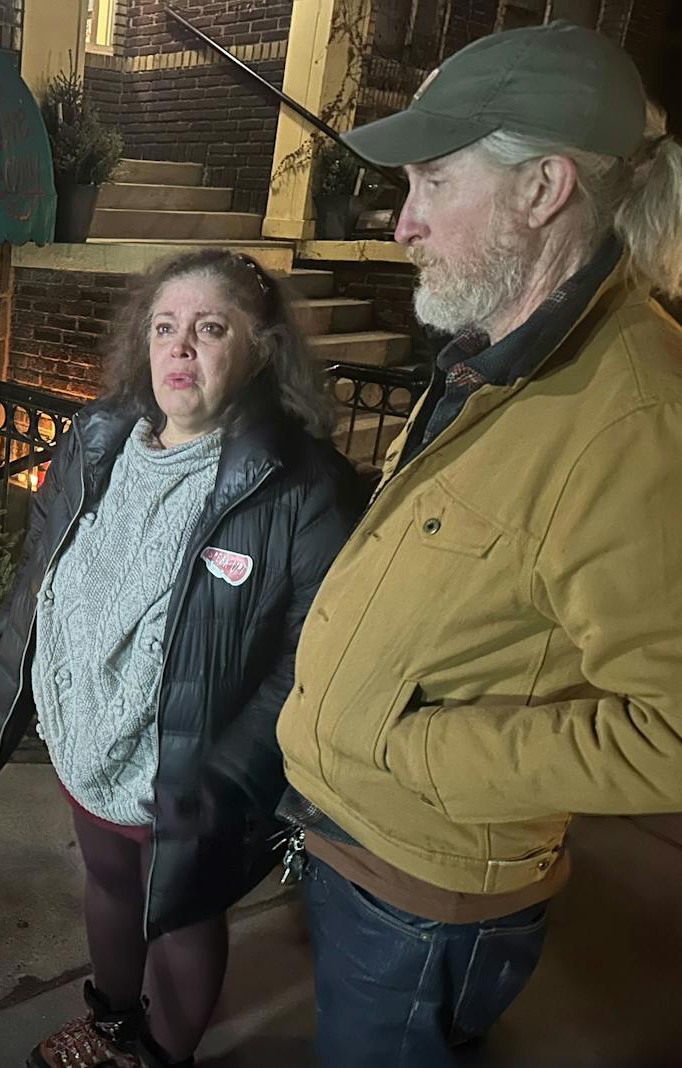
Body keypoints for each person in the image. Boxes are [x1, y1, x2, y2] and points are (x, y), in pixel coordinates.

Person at [274, 20, 682, 1067]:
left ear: (541, 190)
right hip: (362, 850)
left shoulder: (634, 421)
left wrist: (409, 753)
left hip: (424, 901)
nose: (400, 223)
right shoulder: (504, 355)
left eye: (430, 183)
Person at [0, 248, 362, 1068]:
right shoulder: (97, 436)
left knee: (181, 912)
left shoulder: (301, 485)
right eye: (164, 327)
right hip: (90, 740)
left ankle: (159, 1054)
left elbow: (314, 651)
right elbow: (43, 560)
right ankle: (114, 1021)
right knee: (112, 888)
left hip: (194, 766)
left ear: (259, 349)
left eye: (209, 327)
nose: (180, 347)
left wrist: (233, 771)